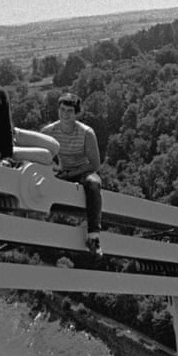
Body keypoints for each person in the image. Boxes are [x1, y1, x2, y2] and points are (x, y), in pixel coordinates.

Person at [40, 92, 104, 257]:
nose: (65, 114)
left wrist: (71, 173)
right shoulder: (48, 131)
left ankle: (93, 237)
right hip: (59, 171)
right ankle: (26, 224)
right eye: (62, 110)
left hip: (81, 171)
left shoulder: (86, 133)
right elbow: (40, 157)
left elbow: (95, 164)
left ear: (76, 113)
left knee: (94, 184)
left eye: (69, 111)